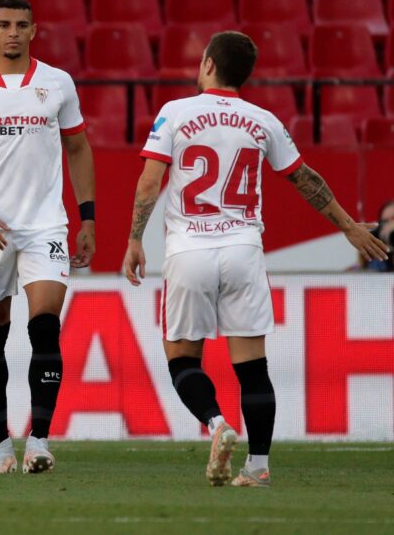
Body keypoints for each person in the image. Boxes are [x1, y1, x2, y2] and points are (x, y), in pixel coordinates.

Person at [123, 31, 389, 488]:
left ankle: (216, 424)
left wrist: (134, 239)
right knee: (253, 367)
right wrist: (348, 226)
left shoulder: (175, 113)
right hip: (244, 251)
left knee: (182, 359)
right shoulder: (262, 120)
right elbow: (304, 178)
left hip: (190, 251)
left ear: (207, 64)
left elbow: (149, 184)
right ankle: (259, 466)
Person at [0, 0, 96, 474]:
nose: (12, 32)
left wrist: (87, 217)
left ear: (34, 30)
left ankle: (40, 441)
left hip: (45, 225)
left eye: (21, 25)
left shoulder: (57, 83)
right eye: (3, 24)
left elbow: (78, 147)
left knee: (46, 328)